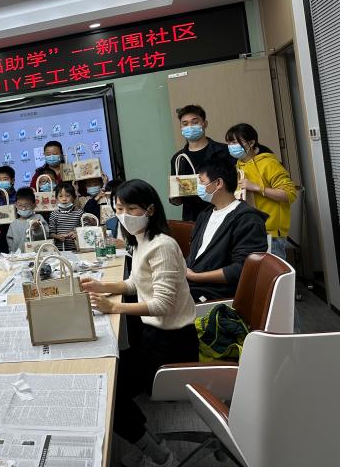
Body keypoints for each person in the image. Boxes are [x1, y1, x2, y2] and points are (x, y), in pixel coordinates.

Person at [82, 180, 197, 467]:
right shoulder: (142, 239)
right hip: (153, 337)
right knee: (109, 378)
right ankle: (148, 440)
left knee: (106, 388)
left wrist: (113, 306)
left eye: (131, 208)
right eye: (119, 209)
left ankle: (161, 456)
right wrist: (104, 286)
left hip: (173, 345)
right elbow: (137, 282)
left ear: (150, 209)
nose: (124, 215)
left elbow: (162, 305)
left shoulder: (163, 246)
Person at [185, 159, 268, 301]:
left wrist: (195, 277)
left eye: (201, 182)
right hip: (192, 284)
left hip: (216, 293)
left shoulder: (247, 219)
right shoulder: (205, 215)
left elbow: (243, 268)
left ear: (218, 183)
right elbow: (195, 255)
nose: (198, 187)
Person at [226, 123, 297, 260]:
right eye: (229, 143)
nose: (231, 146)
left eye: (235, 142)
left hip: (270, 233)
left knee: (273, 272)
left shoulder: (269, 163)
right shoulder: (238, 166)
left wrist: (257, 188)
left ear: (251, 143)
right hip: (249, 231)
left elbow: (290, 194)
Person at [169, 105, 230, 222]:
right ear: (181, 127)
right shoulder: (178, 159)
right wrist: (174, 197)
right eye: (185, 124)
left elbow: (235, 186)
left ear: (205, 124)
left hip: (222, 215)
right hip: (193, 220)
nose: (190, 127)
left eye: (195, 122)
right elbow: (177, 199)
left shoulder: (224, 151)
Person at [6, 187, 50, 253]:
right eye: (20, 205)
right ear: (16, 205)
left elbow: (46, 234)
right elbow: (10, 239)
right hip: (18, 256)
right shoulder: (14, 223)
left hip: (36, 254)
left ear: (34, 205)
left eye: (27, 205)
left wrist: (37, 229)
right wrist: (12, 252)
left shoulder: (38, 218)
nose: (23, 208)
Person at [49, 182, 83, 251]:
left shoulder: (79, 212)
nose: (64, 199)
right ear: (56, 198)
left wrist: (77, 233)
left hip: (77, 248)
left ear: (73, 197)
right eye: (60, 196)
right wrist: (57, 237)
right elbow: (51, 233)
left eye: (68, 196)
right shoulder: (54, 214)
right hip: (60, 249)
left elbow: (86, 228)